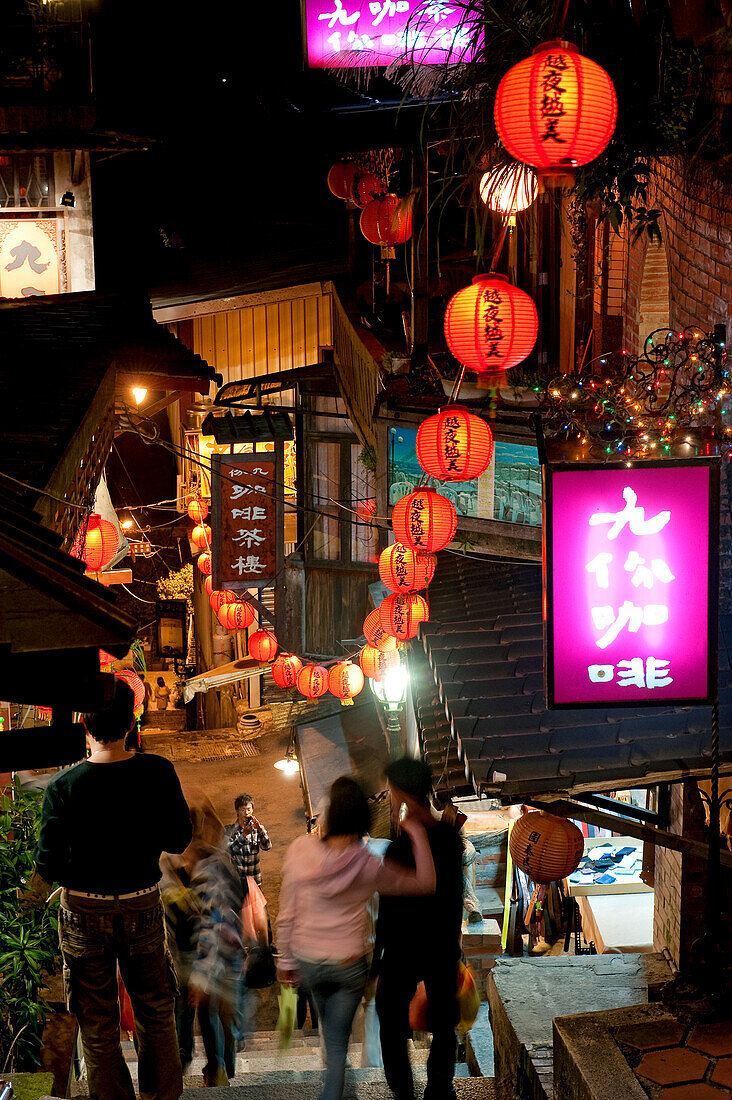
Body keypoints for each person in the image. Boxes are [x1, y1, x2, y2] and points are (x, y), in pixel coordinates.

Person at [26, 679, 192, 1100]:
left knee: (98, 1025)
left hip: (82, 910)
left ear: (85, 723)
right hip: (142, 904)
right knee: (156, 1013)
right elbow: (178, 840)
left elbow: (47, 863)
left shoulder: (63, 787)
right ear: (131, 720)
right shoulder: (158, 771)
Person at [276, 776, 436, 1100]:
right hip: (349, 966)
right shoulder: (370, 865)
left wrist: (285, 960)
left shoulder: (301, 850)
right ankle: (339, 1090)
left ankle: (339, 1090)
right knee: (338, 1041)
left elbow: (287, 912)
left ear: (329, 815)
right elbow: (424, 883)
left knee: (331, 1041)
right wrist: (418, 834)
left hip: (309, 961)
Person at [374, 758, 464, 1100]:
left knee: (390, 1018)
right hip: (440, 947)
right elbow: (454, 900)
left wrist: (376, 961)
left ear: (401, 794)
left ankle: (404, 1093)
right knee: (444, 1024)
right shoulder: (450, 840)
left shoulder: (400, 846)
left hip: (403, 950)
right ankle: (440, 1088)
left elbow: (388, 909)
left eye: (391, 791)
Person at [187, 798, 244, 1087]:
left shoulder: (203, 871)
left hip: (215, 955)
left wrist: (200, 975)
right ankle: (226, 1069)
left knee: (209, 1015)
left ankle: (220, 1073)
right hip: (233, 952)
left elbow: (212, 923)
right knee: (226, 1018)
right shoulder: (223, 859)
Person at [226, 792, 271, 889]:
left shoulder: (257, 829)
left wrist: (260, 830)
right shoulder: (229, 830)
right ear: (237, 811)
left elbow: (267, 847)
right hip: (236, 885)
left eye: (249, 809)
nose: (246, 813)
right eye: (243, 810)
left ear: (252, 810)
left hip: (254, 882)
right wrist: (244, 835)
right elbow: (229, 852)